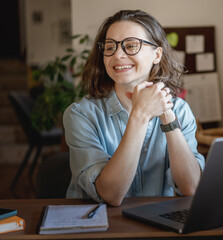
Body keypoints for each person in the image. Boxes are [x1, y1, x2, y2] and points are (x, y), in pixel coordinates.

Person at [63, 9, 205, 206]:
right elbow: (110, 195)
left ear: (156, 54)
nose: (118, 55)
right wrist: (141, 114)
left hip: (159, 224)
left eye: (130, 46)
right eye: (110, 47)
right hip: (99, 225)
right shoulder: (80, 115)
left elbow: (191, 187)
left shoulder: (180, 110)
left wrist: (166, 115)